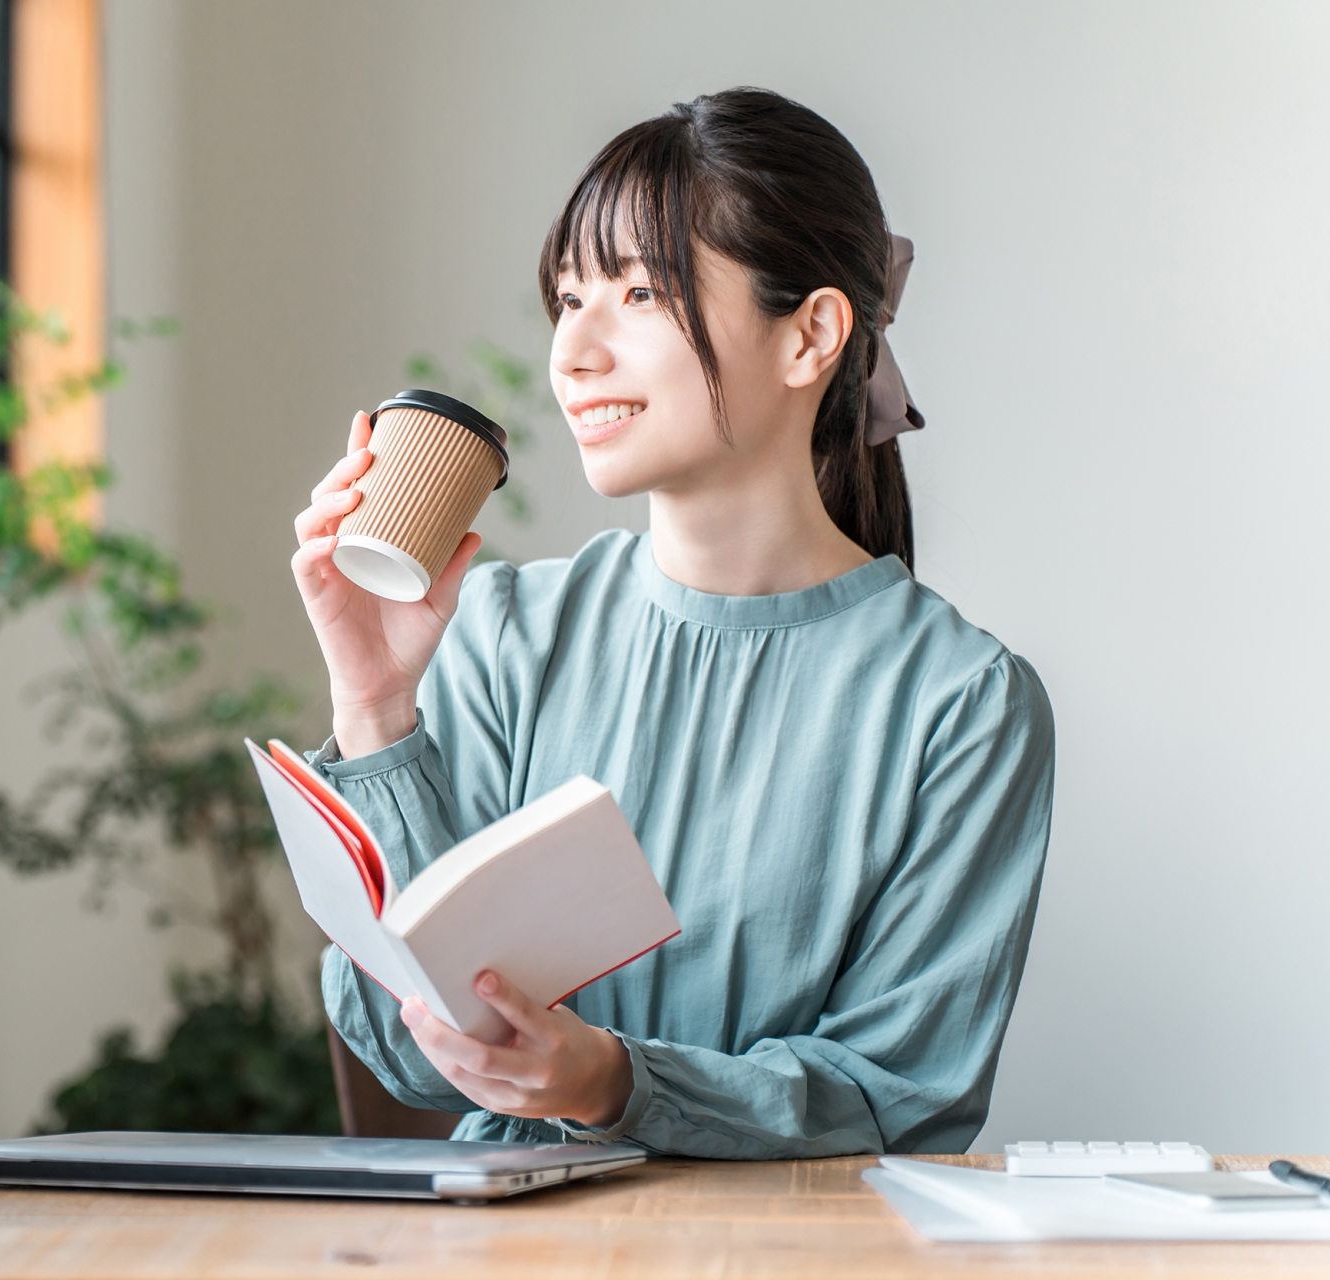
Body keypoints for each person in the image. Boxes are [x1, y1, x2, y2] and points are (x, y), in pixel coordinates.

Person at [289, 89, 1054, 1158]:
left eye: (640, 292)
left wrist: (618, 1081)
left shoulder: (961, 704)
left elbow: (902, 1096)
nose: (573, 352)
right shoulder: (506, 630)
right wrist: (374, 704)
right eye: (567, 297)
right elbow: (410, 1048)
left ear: (812, 336)